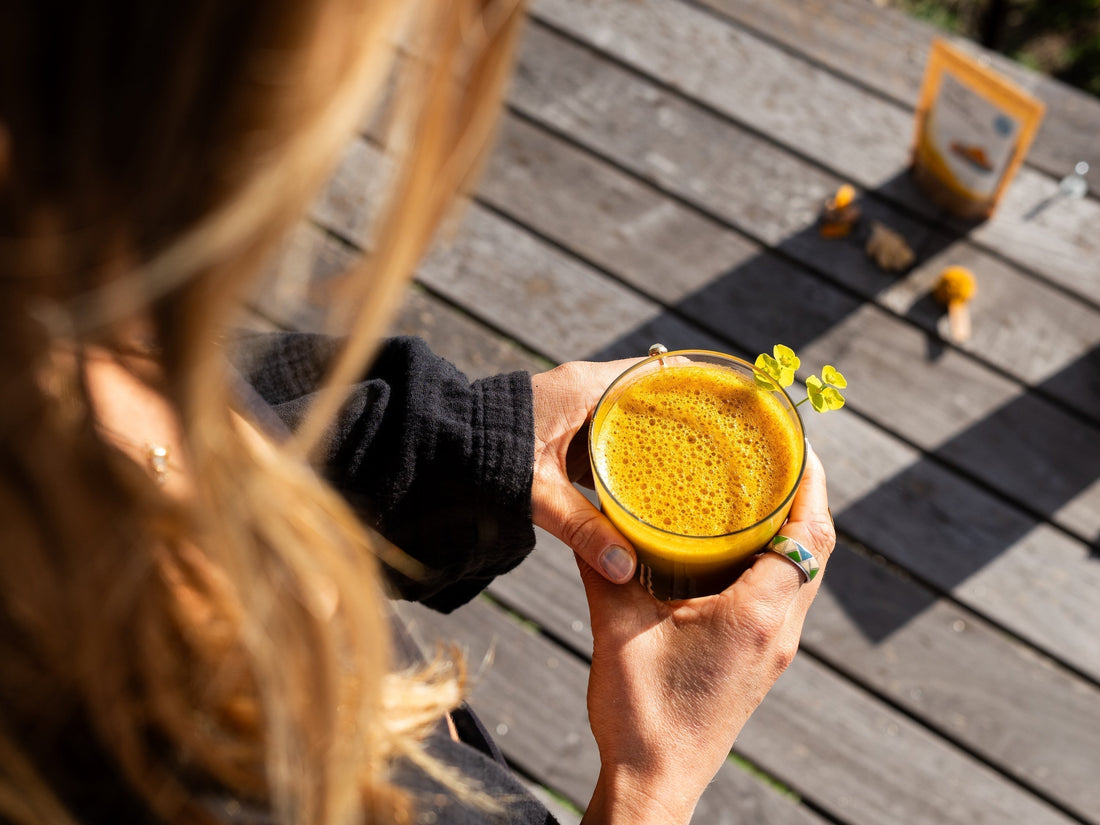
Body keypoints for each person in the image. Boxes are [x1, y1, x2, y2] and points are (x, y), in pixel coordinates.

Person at [0, 2, 836, 824]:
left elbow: (228, 398)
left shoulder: (56, 326)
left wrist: (473, 441)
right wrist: (655, 779)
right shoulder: (187, 760)